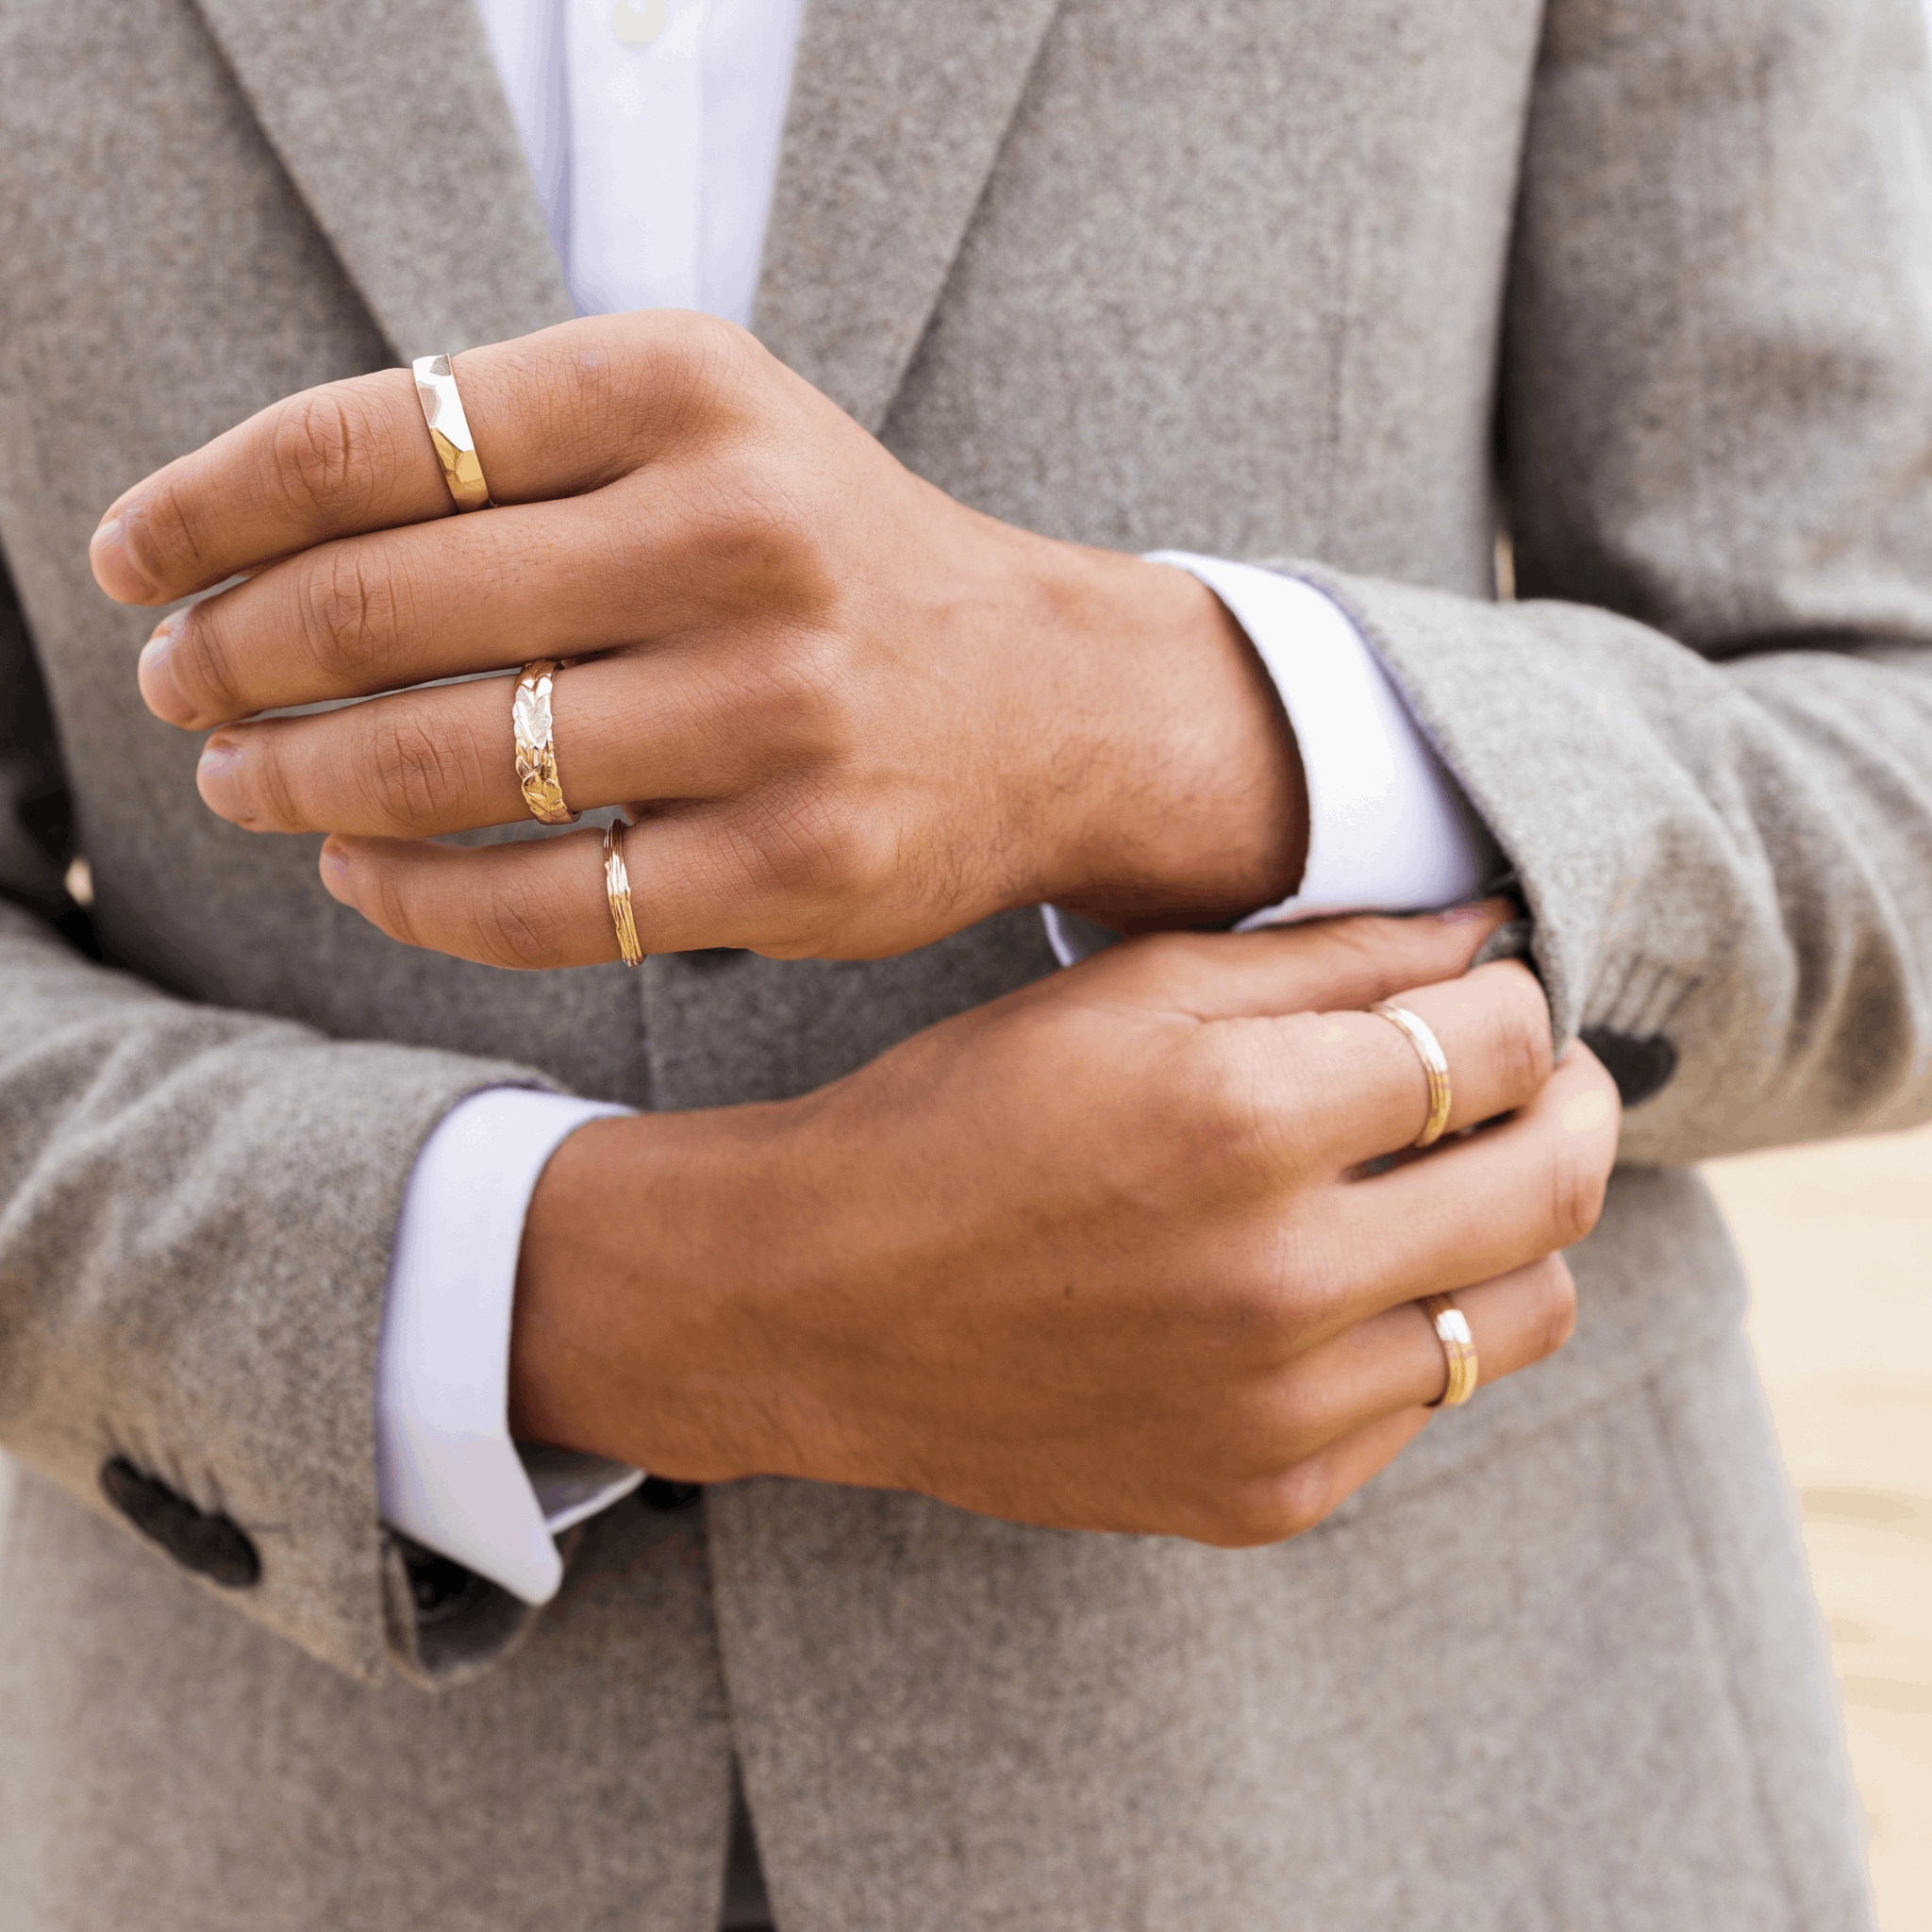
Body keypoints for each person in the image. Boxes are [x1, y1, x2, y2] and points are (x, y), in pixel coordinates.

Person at [2, 1, 1927, 1927]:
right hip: (266, 1830)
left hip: (1432, 1806)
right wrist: (658, 1298)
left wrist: (1158, 724)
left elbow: (1887, 729)